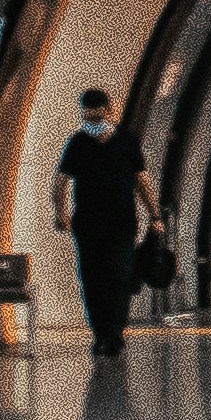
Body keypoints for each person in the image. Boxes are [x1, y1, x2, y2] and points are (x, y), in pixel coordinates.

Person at [49, 88, 154, 356]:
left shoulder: (127, 142)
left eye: (97, 116)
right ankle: (101, 333)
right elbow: (60, 182)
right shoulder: (77, 143)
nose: (93, 122)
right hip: (87, 223)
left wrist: (155, 214)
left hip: (121, 223)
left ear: (110, 111)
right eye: (89, 117)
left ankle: (115, 332)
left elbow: (142, 181)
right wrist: (60, 213)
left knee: (118, 276)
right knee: (92, 279)